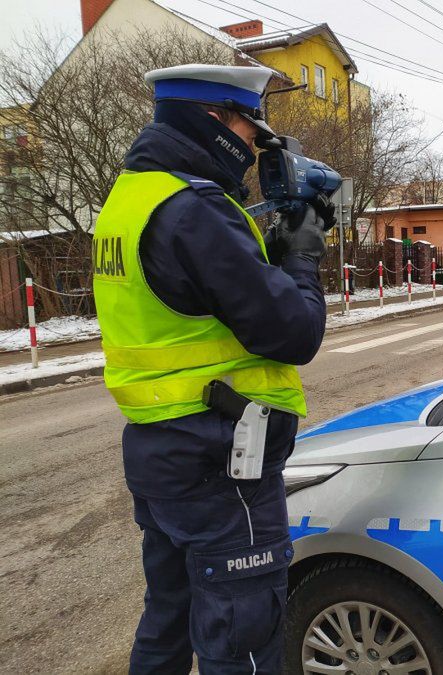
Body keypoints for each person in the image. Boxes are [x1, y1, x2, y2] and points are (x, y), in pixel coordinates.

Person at [92, 64, 330, 673]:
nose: (257, 147)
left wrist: (268, 254)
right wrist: (303, 255)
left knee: (167, 622)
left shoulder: (132, 198)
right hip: (222, 461)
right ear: (217, 120)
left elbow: (197, 299)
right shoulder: (196, 208)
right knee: (243, 640)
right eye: (253, 126)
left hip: (161, 450)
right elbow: (293, 333)